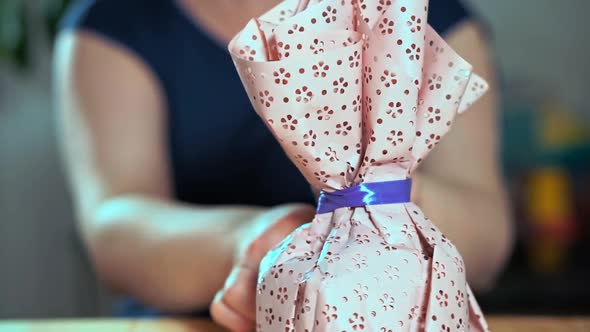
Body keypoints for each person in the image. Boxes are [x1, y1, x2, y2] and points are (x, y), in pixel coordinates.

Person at [54, 0, 513, 331]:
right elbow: (113, 227)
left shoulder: (427, 19)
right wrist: (258, 245)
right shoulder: (114, 22)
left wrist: (387, 214)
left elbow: (489, 230)